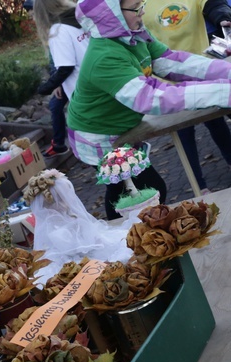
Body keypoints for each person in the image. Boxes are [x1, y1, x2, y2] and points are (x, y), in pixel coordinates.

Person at [66, 0, 231, 219]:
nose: (142, 11)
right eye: (135, 7)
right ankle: (128, 239)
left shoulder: (135, 36)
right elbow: (153, 98)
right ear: (112, 16)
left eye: (140, 4)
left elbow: (173, 62)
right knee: (138, 193)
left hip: (121, 126)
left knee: (142, 191)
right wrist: (224, 92)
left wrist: (227, 71)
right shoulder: (105, 57)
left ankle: (134, 236)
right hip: (97, 136)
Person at [142, 0, 231, 195]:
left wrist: (223, 16)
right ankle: (199, 186)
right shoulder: (138, 4)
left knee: (217, 124)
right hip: (170, 80)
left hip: (202, 70)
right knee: (184, 134)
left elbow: (212, 4)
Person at [32, 0, 90, 157]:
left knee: (95, 153)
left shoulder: (58, 31)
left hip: (85, 95)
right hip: (98, 82)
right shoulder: (80, 19)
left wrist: (44, 88)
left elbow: (66, 68)